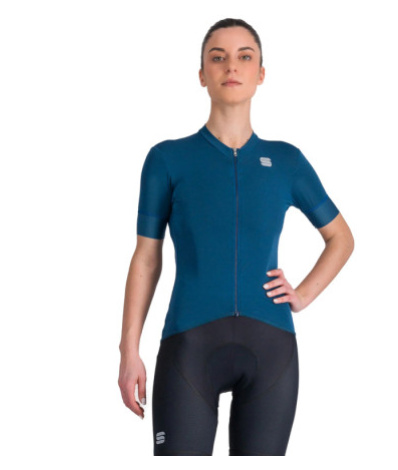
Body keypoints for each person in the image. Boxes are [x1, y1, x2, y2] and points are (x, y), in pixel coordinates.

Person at [118, 18, 354, 456]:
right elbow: (147, 258)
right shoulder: (167, 159)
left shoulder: (287, 161)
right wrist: (128, 351)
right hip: (189, 346)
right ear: (201, 74)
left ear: (260, 74)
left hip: (271, 349)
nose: (232, 66)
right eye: (218, 57)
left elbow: (341, 237)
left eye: (245, 57)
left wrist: (302, 294)